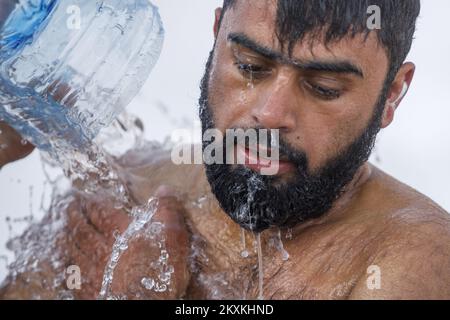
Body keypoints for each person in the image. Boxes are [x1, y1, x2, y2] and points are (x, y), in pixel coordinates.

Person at [1, 0, 450, 300]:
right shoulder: (128, 193)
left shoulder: (414, 261)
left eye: (323, 88)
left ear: (393, 94)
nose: (270, 114)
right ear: (216, 36)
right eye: (250, 67)